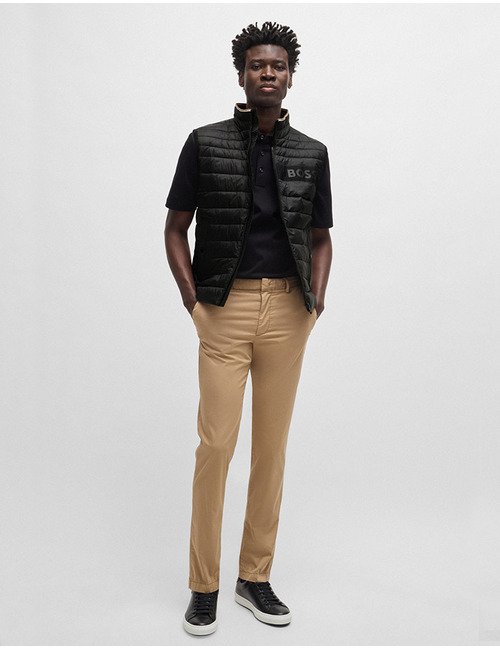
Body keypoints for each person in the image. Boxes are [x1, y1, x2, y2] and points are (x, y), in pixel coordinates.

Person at [164, 21, 333, 636]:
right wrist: (194, 302)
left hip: (289, 311)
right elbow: (175, 228)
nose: (268, 73)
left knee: (271, 449)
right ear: (241, 74)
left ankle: (253, 577)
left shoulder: (311, 152)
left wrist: (315, 302)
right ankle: (203, 585)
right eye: (258, 65)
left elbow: (321, 237)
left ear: (290, 77)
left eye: (278, 66)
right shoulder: (204, 143)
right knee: (216, 446)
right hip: (223, 308)